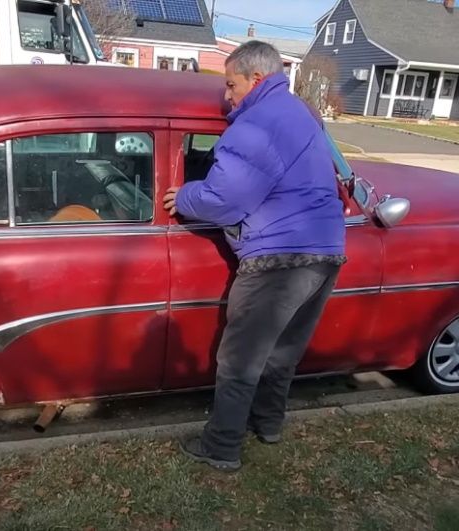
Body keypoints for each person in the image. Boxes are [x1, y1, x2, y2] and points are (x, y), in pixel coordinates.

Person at [162, 41, 347, 472]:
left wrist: (184, 194)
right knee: (283, 351)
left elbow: (224, 201)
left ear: (255, 79)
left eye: (231, 85)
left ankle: (222, 446)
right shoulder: (301, 112)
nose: (226, 95)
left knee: (239, 358)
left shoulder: (254, 126)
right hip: (326, 251)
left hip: (277, 257)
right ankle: (269, 424)